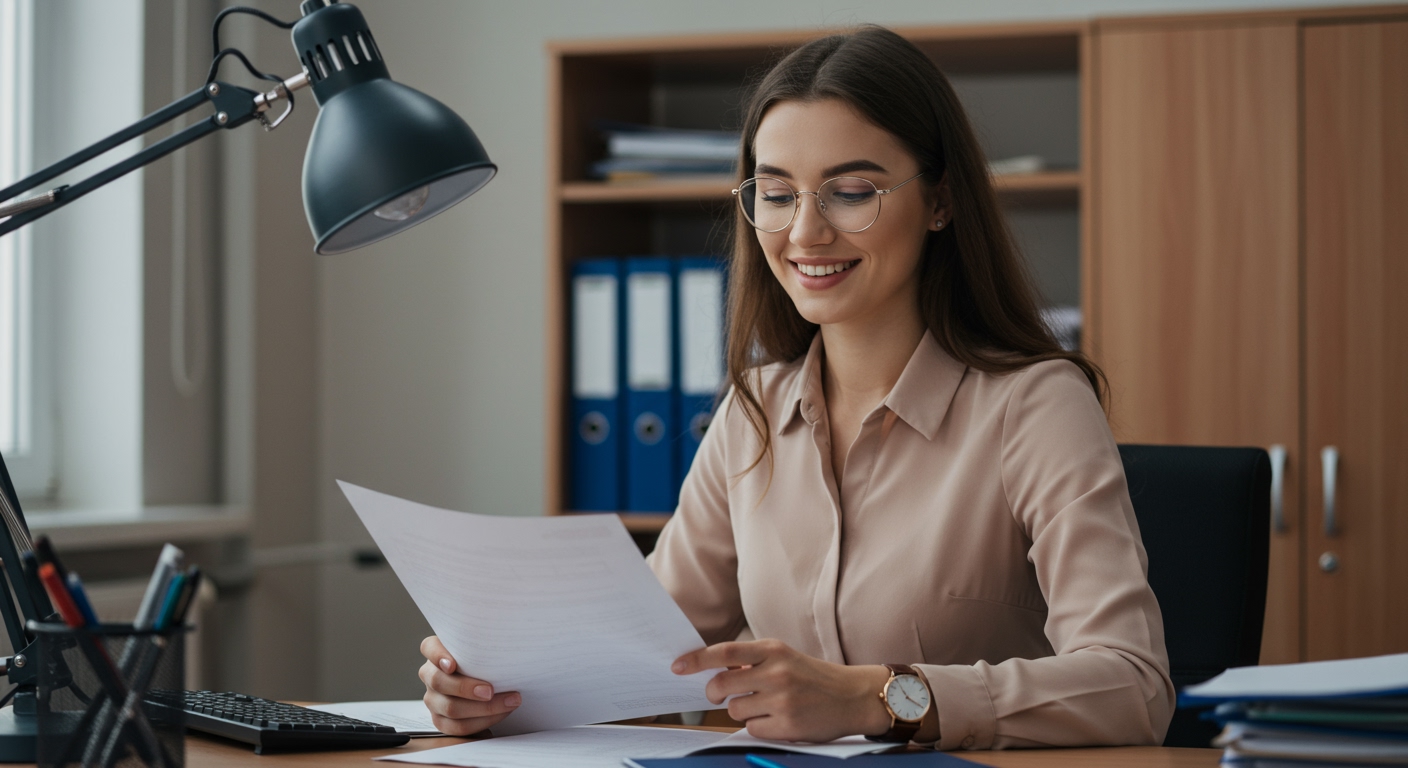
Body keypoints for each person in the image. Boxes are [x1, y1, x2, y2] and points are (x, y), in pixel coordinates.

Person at [418, 25, 1173, 751]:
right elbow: (632, 655)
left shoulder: (1033, 406)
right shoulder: (754, 411)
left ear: (940, 201)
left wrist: (878, 698)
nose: (805, 233)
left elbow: (1133, 686)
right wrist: (495, 690)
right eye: (776, 194)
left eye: (851, 191)